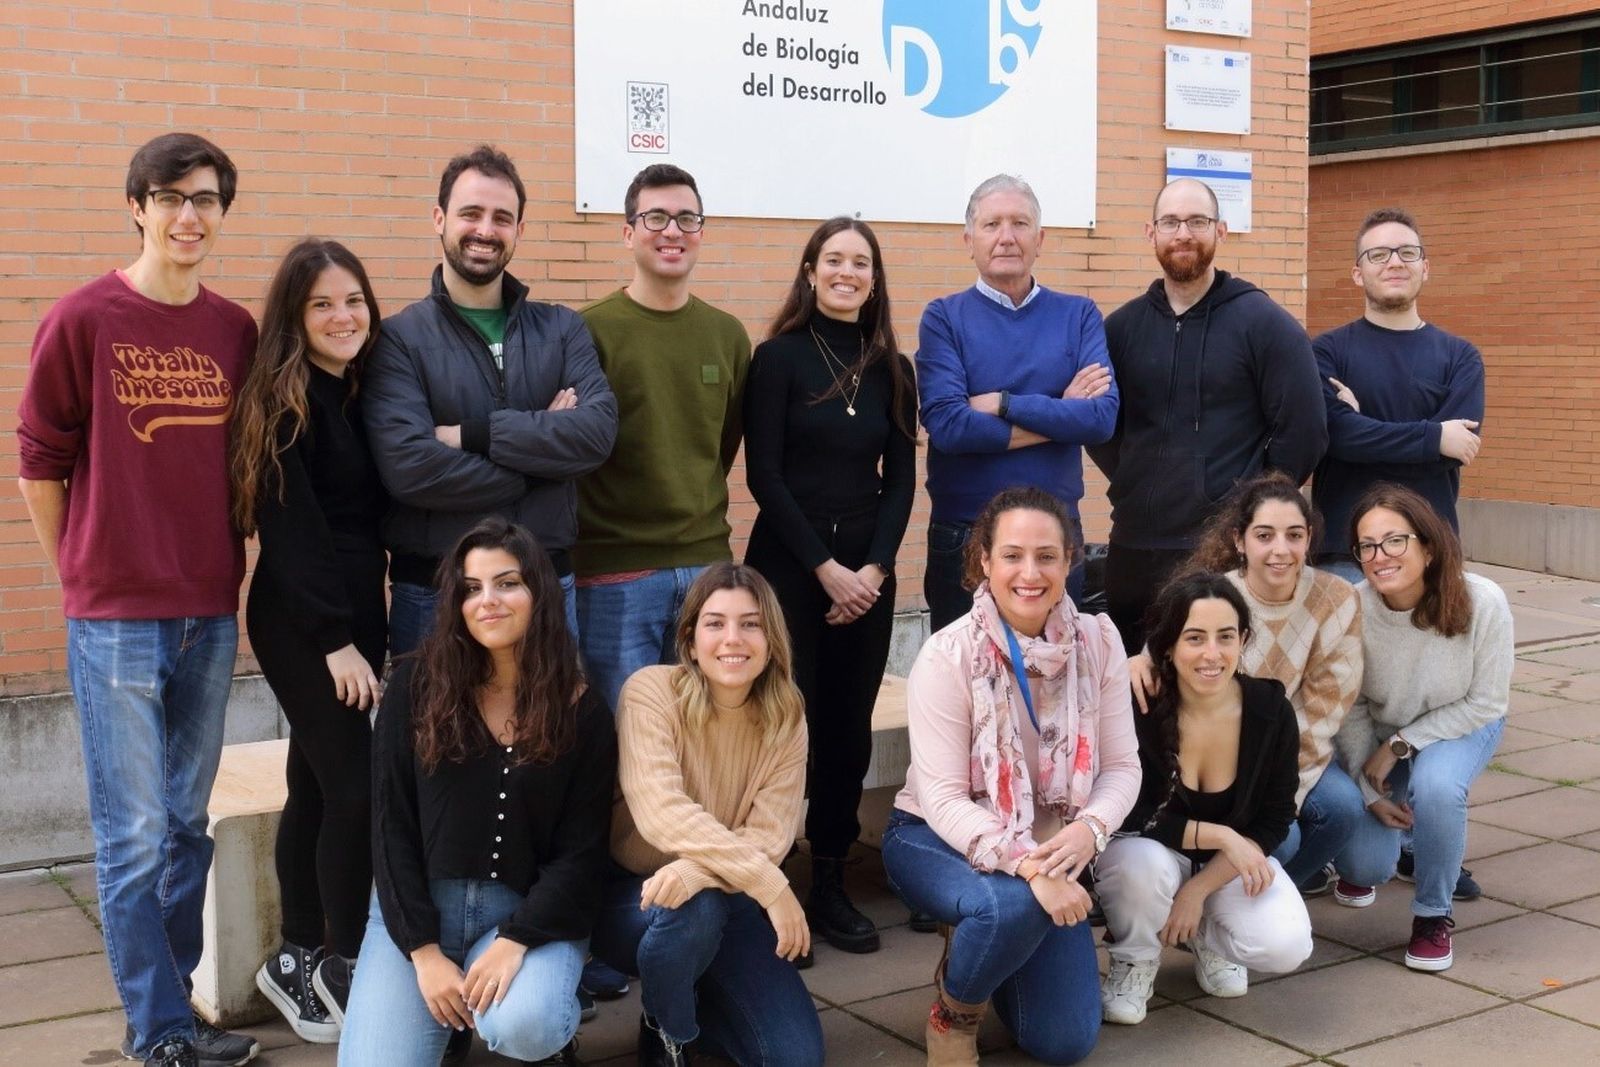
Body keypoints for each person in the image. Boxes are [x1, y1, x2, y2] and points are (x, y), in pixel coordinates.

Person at [16, 133, 260, 1067]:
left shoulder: (233, 330)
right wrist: (78, 573)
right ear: (137, 206)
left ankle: (174, 1009)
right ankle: (157, 1031)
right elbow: (39, 460)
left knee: (187, 825)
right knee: (133, 834)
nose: (189, 216)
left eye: (206, 200)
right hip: (114, 616)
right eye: (170, 197)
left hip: (209, 609)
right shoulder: (84, 318)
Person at [339, 518, 616, 1066]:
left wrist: (516, 940)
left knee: (526, 1025)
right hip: (418, 918)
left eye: (507, 583)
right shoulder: (415, 688)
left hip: (526, 917)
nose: (488, 600)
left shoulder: (581, 709)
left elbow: (582, 854)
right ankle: (454, 1018)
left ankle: (543, 1013)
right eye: (471, 588)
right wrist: (424, 955)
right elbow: (390, 828)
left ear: (539, 593)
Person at [882, 487, 1141, 1066]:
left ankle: (986, 944)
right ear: (984, 561)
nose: (1030, 573)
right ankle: (954, 1016)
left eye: (1046, 556)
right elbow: (943, 798)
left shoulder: (1099, 642)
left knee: (1064, 1042)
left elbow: (1124, 767)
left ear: (1069, 561)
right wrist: (1030, 867)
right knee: (1011, 906)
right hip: (934, 836)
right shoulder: (948, 654)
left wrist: (1090, 830)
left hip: (1049, 846)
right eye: (1012, 555)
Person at [228, 239, 389, 1041]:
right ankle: (344, 958)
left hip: (352, 611)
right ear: (295, 316)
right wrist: (334, 639)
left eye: (353, 299)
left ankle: (293, 954)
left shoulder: (357, 389)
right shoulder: (286, 400)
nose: (342, 316)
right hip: (305, 619)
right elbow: (292, 529)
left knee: (317, 780)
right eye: (322, 303)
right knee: (355, 787)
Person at [365, 144, 617, 656]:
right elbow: (411, 467)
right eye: (471, 213)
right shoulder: (398, 339)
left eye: (502, 218)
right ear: (439, 219)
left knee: (551, 712)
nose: (485, 229)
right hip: (436, 591)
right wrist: (544, 468)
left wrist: (473, 436)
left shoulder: (563, 328)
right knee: (432, 714)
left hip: (545, 583)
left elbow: (595, 434)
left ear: (519, 230)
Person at [742, 216, 916, 956]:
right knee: (783, 725)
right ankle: (769, 879)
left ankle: (832, 879)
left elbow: (901, 480)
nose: (847, 273)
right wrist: (825, 568)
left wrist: (872, 570)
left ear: (874, 280)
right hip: (790, 568)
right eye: (834, 260)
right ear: (811, 272)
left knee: (846, 729)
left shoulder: (893, 369)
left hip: (867, 576)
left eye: (861, 263)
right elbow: (764, 474)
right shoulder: (777, 358)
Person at [592, 563, 824, 1067]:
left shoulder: (786, 716)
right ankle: (667, 1030)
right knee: (693, 911)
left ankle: (697, 1002)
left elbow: (771, 834)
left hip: (730, 895)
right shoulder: (650, 692)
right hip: (635, 896)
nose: (732, 638)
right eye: (715, 623)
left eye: (750, 624)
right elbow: (661, 811)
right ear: (691, 642)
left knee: (795, 1057)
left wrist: (698, 871)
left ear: (771, 641)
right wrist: (772, 885)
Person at [1090, 177, 1326, 655]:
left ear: (1221, 230)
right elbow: (1098, 425)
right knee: (1135, 682)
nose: (1184, 233)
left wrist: (1247, 506)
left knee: (1216, 680)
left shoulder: (1264, 324)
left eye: (1197, 221)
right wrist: (1134, 478)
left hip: (1220, 551)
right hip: (1133, 546)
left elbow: (1305, 431)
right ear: (1151, 233)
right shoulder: (1120, 330)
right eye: (1171, 222)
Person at [1127, 473, 1363, 897]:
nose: (1280, 549)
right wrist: (1136, 662)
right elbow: (1168, 649)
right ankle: (1226, 891)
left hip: (1294, 751)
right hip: (1222, 750)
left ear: (1309, 539)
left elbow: (1322, 713)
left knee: (1340, 811)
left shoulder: (1337, 598)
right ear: (1240, 540)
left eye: (1294, 535)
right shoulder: (1218, 594)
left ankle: (1265, 895)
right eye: (1264, 535)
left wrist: (1273, 808)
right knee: (1279, 840)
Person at [1098, 573, 1313, 1026]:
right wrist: (1221, 835)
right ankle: (1135, 958)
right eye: (1195, 638)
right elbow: (1132, 814)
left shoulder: (1270, 710)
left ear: (1244, 640)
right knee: (1138, 864)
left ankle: (1206, 937)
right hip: (1150, 854)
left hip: (1222, 866)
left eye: (1226, 637)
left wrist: (1198, 890)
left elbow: (1276, 817)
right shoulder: (1141, 705)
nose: (1212, 653)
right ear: (1168, 647)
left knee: (1288, 945)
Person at [576, 163, 752, 713]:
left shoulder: (727, 336)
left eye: (686, 218)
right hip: (614, 573)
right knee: (621, 736)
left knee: (702, 735)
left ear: (701, 231)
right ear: (628, 232)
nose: (672, 231)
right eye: (655, 217)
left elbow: (721, 447)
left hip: (706, 568)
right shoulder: (589, 330)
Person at [916, 174, 1117, 630]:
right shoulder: (943, 318)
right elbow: (950, 427)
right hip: (967, 535)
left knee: (1053, 666)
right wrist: (1061, 412)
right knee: (965, 670)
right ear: (969, 240)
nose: (1006, 237)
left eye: (1020, 223)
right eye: (992, 225)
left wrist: (1003, 402)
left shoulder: (1079, 315)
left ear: (1039, 239)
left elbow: (1100, 419)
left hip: (1055, 537)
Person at [1328, 485, 1512, 973]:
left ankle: (1433, 914)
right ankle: (1399, 849)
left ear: (1428, 546)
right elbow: (1351, 705)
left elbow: (1487, 701)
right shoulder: (1352, 608)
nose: (1380, 556)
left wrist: (1400, 745)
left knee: (1438, 787)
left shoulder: (1482, 600)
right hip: (1382, 727)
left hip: (1464, 722)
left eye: (1395, 540)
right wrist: (1368, 789)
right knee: (1366, 864)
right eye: (1367, 546)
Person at [1312, 207, 1485, 584]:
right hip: (1346, 554)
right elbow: (1337, 437)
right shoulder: (1326, 352)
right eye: (1378, 254)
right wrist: (1434, 437)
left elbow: (1453, 453)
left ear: (1425, 267)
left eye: (1407, 252)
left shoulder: (1460, 357)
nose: (1395, 262)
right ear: (1358, 273)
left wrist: (1362, 428)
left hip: (1430, 551)